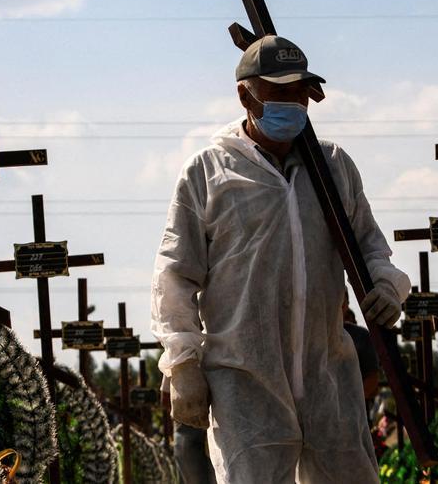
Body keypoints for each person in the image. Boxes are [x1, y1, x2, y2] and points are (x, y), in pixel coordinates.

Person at [151, 36, 412, 483]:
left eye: (298, 93)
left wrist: (387, 285)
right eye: (278, 92)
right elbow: (175, 273)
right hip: (244, 379)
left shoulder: (331, 166)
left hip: (327, 373)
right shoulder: (209, 172)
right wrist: (183, 362)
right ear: (244, 94)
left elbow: (369, 245)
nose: (291, 104)